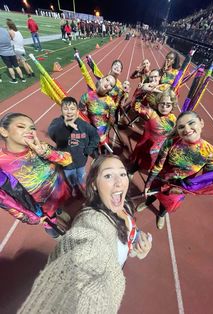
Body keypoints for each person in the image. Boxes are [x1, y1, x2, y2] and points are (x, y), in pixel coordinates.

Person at [18, 155, 152, 313]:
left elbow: (127, 240)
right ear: (94, 184)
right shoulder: (91, 220)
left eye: (122, 174)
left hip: (117, 264)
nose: (119, 182)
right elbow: (84, 261)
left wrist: (138, 250)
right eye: (108, 175)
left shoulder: (125, 205)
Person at [136, 111, 213, 229]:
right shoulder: (170, 142)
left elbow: (206, 181)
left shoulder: (211, 153)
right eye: (181, 127)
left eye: (191, 123)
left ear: (201, 123)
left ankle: (160, 215)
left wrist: (190, 186)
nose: (187, 129)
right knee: (151, 194)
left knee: (165, 204)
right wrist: (148, 183)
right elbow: (158, 165)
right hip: (160, 178)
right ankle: (147, 202)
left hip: (179, 187)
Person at [0, 113, 72, 237]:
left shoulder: (41, 147)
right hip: (46, 214)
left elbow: (67, 160)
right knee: (60, 235)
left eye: (32, 128)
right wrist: (31, 217)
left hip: (65, 197)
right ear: (4, 131)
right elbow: (5, 200)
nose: (29, 131)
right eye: (21, 126)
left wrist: (47, 153)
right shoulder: (2, 164)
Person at [48, 97, 100, 196]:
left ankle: (81, 185)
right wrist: (65, 125)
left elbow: (95, 136)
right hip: (66, 162)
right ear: (61, 110)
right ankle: (74, 187)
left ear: (77, 111)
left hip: (81, 160)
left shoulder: (84, 125)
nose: (69, 112)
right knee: (70, 178)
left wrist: (88, 150)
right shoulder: (57, 122)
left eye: (72, 109)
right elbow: (52, 133)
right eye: (66, 109)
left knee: (80, 176)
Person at [129, 89, 177, 176]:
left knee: (151, 166)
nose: (164, 107)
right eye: (162, 103)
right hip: (144, 147)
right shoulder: (151, 113)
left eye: (168, 105)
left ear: (172, 106)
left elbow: (174, 135)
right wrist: (141, 91)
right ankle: (131, 171)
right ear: (158, 103)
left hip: (157, 150)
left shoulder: (173, 119)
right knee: (136, 163)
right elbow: (135, 106)